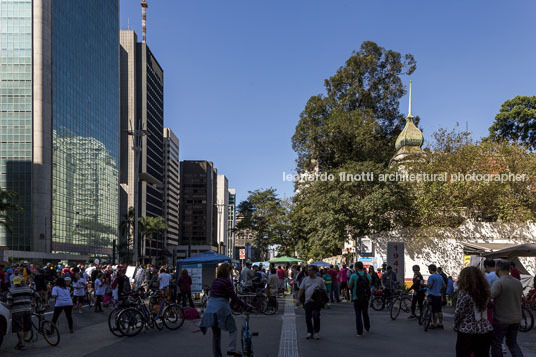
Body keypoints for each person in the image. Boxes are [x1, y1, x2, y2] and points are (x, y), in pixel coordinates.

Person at [199, 263, 246, 357]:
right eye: (230, 271)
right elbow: (233, 297)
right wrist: (244, 305)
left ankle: (217, 355)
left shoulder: (215, 281)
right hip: (221, 308)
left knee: (216, 335)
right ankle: (231, 349)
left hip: (210, 309)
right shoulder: (227, 282)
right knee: (233, 330)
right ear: (227, 271)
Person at [454, 267, 493, 357]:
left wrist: (456, 325)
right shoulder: (486, 292)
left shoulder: (464, 293)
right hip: (485, 328)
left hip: (467, 330)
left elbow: (459, 312)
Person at [490, 260, 524, 357]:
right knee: (513, 343)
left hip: (502, 318)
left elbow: (490, 296)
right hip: (516, 318)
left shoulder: (499, 283)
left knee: (496, 343)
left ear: (498, 269)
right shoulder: (518, 282)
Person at [7, 276, 39, 350]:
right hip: (28, 310)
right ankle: (21, 342)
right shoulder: (28, 289)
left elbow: (9, 303)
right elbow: (37, 295)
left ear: (14, 283)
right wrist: (31, 301)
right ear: (22, 282)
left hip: (17, 311)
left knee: (19, 328)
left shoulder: (11, 291)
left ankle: (21, 343)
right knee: (26, 327)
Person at [297, 265, 326, 340]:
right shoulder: (305, 280)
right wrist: (298, 299)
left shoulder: (320, 280)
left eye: (310, 270)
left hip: (317, 302)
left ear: (314, 271)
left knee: (316, 316)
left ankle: (316, 332)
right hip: (307, 301)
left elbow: (324, 290)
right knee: (308, 318)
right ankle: (309, 332)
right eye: (308, 270)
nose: (308, 272)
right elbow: (301, 289)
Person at [349, 262, 371, 336]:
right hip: (365, 297)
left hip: (356, 297)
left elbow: (350, 286)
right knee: (365, 313)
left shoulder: (353, 276)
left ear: (357, 267)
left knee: (358, 314)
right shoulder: (367, 275)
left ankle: (359, 331)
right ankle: (367, 327)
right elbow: (369, 285)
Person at [427, 264, 446, 329]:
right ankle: (440, 323)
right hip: (439, 295)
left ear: (430, 269)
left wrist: (423, 285)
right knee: (439, 310)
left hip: (432, 295)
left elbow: (429, 286)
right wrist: (439, 290)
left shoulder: (431, 277)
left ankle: (434, 323)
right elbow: (444, 286)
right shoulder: (440, 276)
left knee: (434, 311)